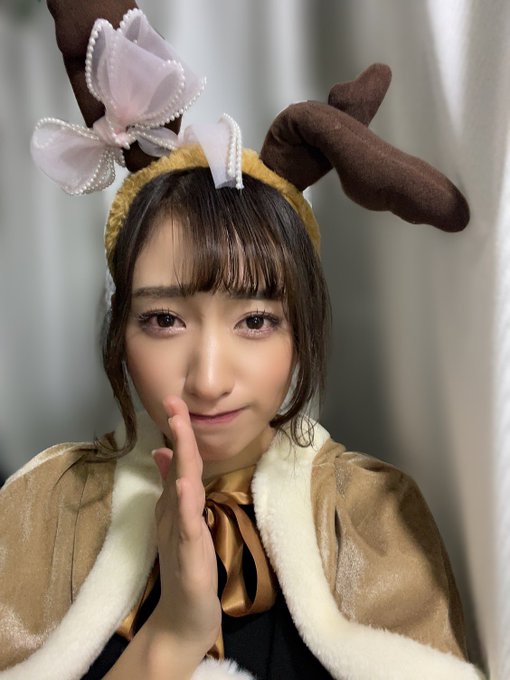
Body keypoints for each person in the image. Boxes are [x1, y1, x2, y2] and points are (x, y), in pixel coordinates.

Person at [0, 2, 484, 679]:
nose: (208, 379)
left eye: (255, 321)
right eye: (164, 320)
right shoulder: (44, 509)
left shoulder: (370, 519)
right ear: (119, 329)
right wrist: (172, 636)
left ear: (301, 330)